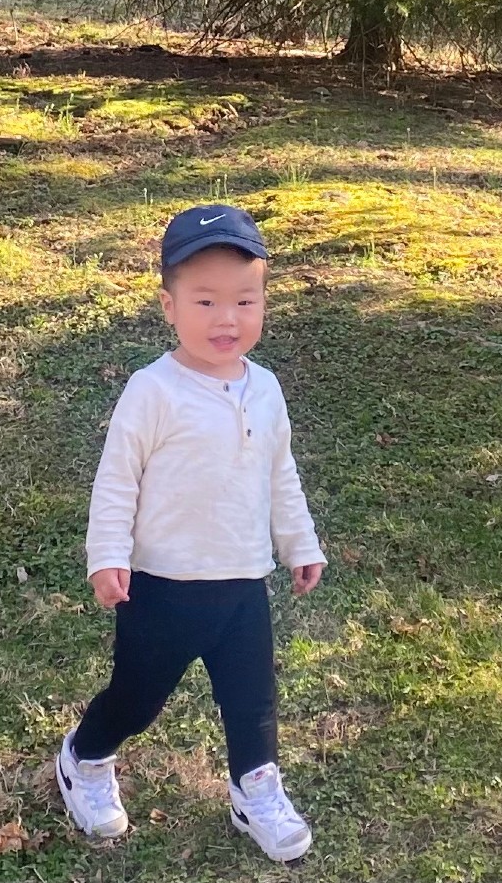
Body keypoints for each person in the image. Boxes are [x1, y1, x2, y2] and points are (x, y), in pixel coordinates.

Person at [55, 204, 327, 862]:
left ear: (264, 302)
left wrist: (300, 542)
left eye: (244, 300)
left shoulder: (265, 389)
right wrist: (107, 557)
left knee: (252, 697)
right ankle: (85, 757)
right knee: (137, 698)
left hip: (242, 583)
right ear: (170, 306)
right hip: (161, 587)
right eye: (205, 300)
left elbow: (279, 473)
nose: (226, 318)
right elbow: (117, 480)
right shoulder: (154, 390)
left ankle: (253, 786)